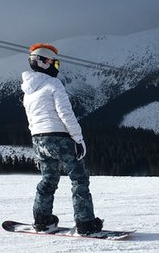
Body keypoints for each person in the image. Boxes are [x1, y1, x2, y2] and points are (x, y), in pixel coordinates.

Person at [21, 43, 103, 235]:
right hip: (60, 138)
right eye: (53, 63)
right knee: (79, 178)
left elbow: (31, 120)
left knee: (48, 180)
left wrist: (38, 141)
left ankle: (42, 221)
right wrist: (78, 138)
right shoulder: (54, 84)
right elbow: (65, 114)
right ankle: (85, 223)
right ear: (42, 62)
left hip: (38, 139)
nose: (55, 68)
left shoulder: (28, 92)